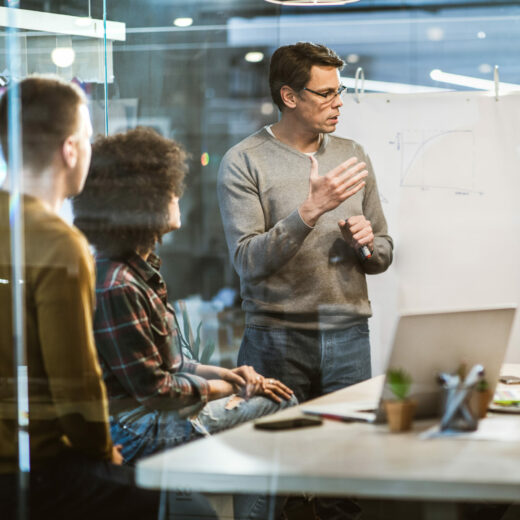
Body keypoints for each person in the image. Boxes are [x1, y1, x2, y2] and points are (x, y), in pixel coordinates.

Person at [0, 77, 212, 519]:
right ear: (70, 150)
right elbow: (76, 382)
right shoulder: (59, 243)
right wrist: (103, 453)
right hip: (36, 464)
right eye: (88, 138)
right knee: (190, 513)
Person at [73, 127, 296, 520]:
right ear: (140, 204)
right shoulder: (118, 283)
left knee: (269, 398)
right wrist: (231, 387)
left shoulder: (139, 270)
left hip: (155, 415)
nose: (177, 197)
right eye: (168, 191)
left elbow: (173, 364)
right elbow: (158, 391)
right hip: (139, 430)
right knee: (280, 404)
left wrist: (230, 374)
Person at [218, 42, 393, 403]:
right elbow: (247, 261)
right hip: (275, 338)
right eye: (326, 94)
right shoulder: (244, 160)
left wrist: (366, 245)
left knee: (348, 438)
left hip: (348, 334)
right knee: (277, 439)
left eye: (339, 91)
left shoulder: (352, 153)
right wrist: (310, 211)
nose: (339, 103)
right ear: (290, 97)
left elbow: (383, 251)